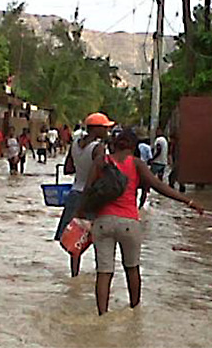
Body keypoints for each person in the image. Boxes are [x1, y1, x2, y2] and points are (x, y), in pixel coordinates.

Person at [79, 128, 204, 315]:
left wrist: (80, 218)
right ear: (134, 146)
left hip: (103, 222)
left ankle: (102, 315)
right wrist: (189, 201)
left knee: (104, 273)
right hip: (129, 223)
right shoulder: (136, 164)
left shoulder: (101, 162)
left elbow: (87, 191)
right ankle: (135, 311)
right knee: (132, 269)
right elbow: (159, 186)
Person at [55, 112, 113, 277]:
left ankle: (74, 274)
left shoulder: (75, 144)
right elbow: (100, 173)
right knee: (98, 236)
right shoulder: (98, 148)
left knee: (75, 238)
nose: (107, 131)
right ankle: (100, 273)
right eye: (105, 128)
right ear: (96, 129)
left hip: (74, 194)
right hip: (92, 196)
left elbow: (68, 168)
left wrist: (81, 165)